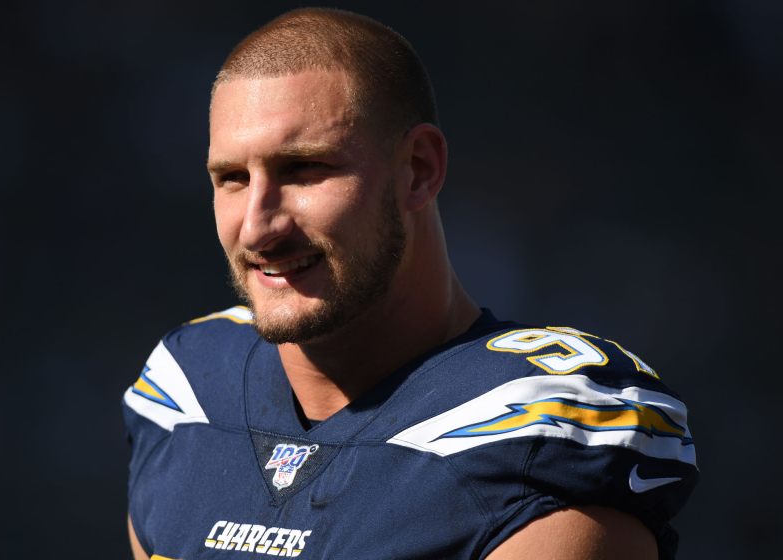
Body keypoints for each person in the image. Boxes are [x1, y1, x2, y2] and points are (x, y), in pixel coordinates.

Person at [123, 8, 698, 560]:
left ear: (418, 169)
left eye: (305, 169)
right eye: (232, 179)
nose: (257, 226)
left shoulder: (533, 439)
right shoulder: (186, 394)